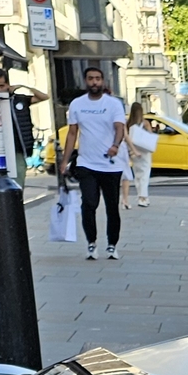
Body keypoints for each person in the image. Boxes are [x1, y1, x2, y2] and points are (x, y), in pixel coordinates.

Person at [61, 65, 125, 259]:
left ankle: (112, 244)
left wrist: (115, 145)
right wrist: (64, 161)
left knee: (112, 206)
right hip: (86, 163)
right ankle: (91, 242)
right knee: (89, 203)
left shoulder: (113, 104)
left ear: (103, 81)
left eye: (98, 78)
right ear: (85, 81)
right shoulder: (77, 104)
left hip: (110, 165)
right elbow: (72, 134)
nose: (94, 82)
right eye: (90, 78)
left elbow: (120, 127)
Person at [124, 99, 156, 208]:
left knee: (137, 175)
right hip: (144, 151)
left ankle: (141, 196)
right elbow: (150, 135)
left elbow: (126, 137)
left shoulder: (128, 123)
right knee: (145, 175)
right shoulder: (145, 123)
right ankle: (143, 197)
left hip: (133, 151)